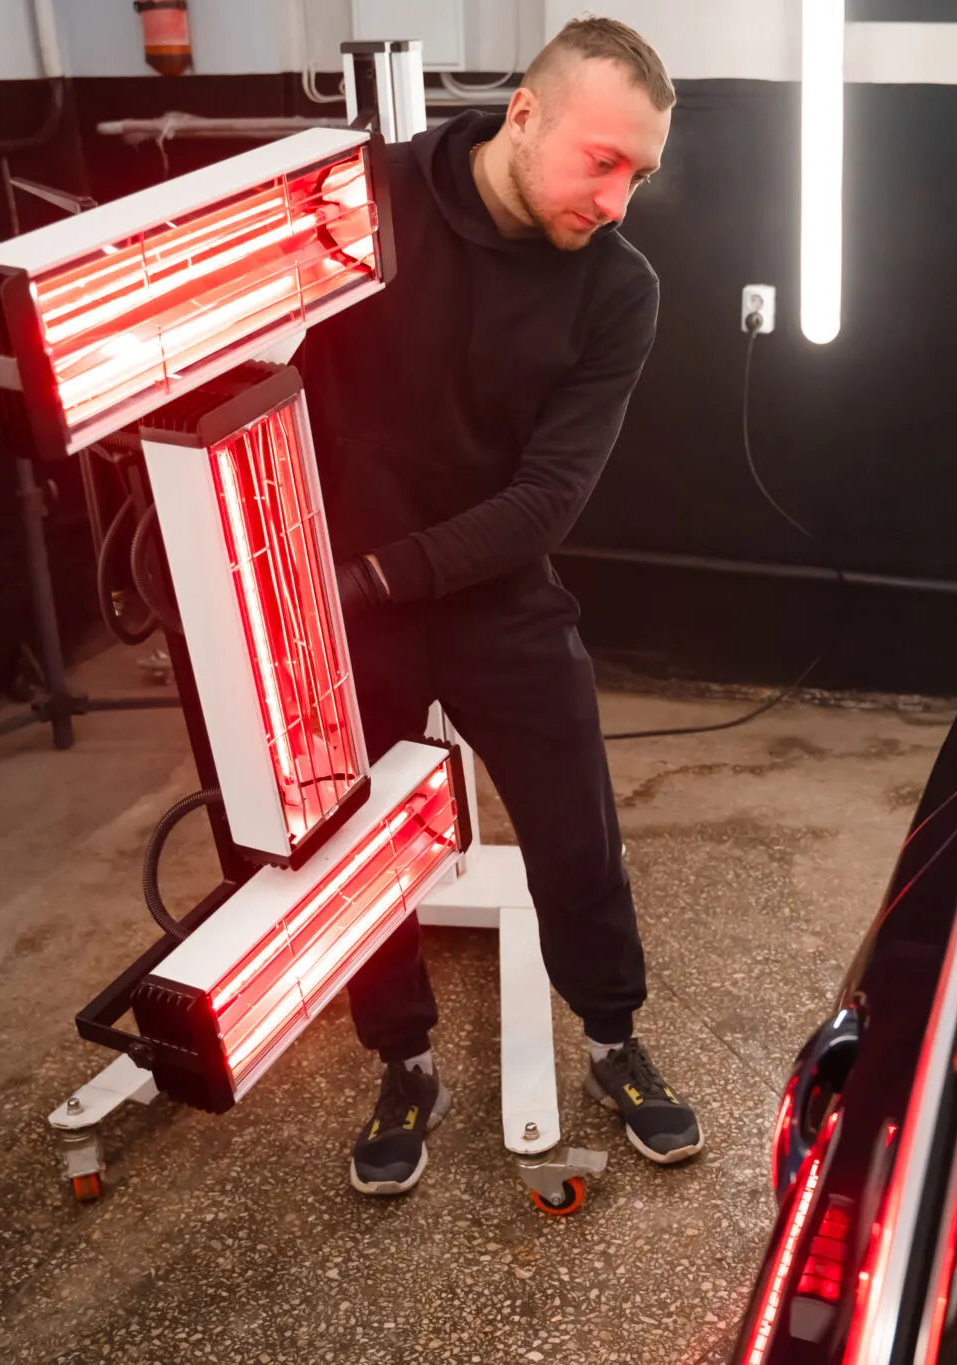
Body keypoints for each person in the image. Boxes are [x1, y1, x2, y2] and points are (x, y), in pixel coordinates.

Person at [298, 17, 700, 1196]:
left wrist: (371, 578)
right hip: (345, 599)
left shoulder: (618, 292)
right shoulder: (358, 201)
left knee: (574, 829)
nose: (618, 201)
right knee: (348, 849)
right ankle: (404, 1060)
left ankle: (613, 1039)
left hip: (488, 589)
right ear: (523, 113)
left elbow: (542, 502)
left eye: (641, 175)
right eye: (601, 161)